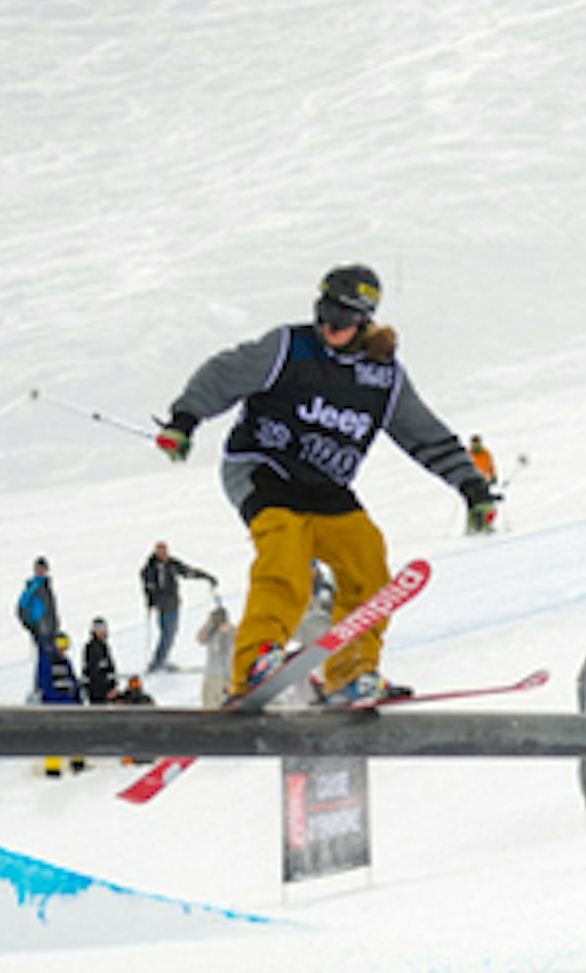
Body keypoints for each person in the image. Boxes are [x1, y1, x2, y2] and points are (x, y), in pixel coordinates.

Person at [154, 262, 493, 705]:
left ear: (364, 321)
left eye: (342, 320)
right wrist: (184, 420)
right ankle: (255, 661)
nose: (329, 327)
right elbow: (224, 373)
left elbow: (424, 434)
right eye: (325, 314)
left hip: (325, 486)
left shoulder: (383, 377)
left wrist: (472, 487)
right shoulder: (288, 348)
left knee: (366, 558)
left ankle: (352, 671)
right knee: (286, 555)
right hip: (265, 468)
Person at [139, 540, 217, 673]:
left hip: (173, 604)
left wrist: (206, 576)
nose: (164, 554)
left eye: (165, 551)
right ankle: (158, 662)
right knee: (167, 634)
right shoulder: (151, 567)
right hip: (163, 606)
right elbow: (147, 584)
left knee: (170, 634)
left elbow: (187, 571)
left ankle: (162, 660)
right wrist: (151, 600)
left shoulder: (171, 564)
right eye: (161, 551)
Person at [35, 633, 86, 777]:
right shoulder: (47, 662)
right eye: (60, 645)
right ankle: (52, 768)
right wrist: (57, 700)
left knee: (76, 732)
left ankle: (77, 761)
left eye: (65, 645)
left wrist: (78, 699)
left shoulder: (65, 662)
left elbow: (73, 681)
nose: (62, 649)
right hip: (55, 706)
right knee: (55, 737)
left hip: (70, 704)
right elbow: (45, 685)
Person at [195, 601, 235, 710]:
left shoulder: (232, 632)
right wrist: (208, 622)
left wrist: (227, 628)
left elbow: (236, 635)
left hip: (226, 676)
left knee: (224, 707)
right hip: (211, 676)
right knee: (208, 707)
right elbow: (200, 638)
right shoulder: (211, 633)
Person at [16, 557, 60, 649]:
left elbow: (51, 609)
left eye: (43, 569)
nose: (41, 571)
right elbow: (21, 606)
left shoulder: (46, 586)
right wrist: (31, 625)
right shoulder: (33, 586)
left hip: (50, 629)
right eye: (39, 569)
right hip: (40, 629)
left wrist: (55, 625)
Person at [81, 616, 119, 705]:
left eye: (103, 629)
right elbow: (92, 671)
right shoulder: (91, 648)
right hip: (97, 692)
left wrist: (113, 686)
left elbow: (110, 668)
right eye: (99, 630)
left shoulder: (104, 647)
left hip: (106, 692)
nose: (102, 632)